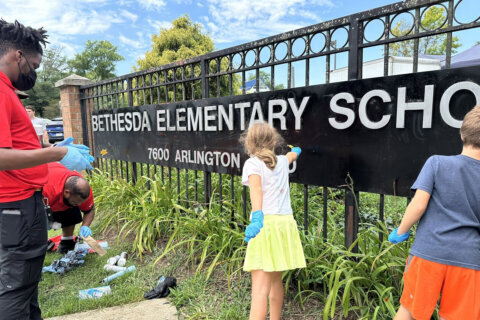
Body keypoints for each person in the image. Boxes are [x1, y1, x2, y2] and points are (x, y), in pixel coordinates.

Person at [0, 19, 93, 320]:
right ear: (17, 55)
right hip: (15, 205)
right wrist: (56, 153)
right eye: (34, 64)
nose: (34, 73)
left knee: (25, 286)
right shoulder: (1, 92)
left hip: (19, 206)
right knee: (16, 290)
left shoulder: (7, 92)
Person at [389, 105, 480, 320]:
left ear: (461, 133)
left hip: (429, 253)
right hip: (469, 260)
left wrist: (401, 231)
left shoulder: (437, 163)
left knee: (409, 311)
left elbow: (418, 205)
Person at [240, 122, 306, 320]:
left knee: (259, 290)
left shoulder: (252, 163)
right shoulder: (282, 162)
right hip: (284, 226)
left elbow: (256, 189)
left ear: (249, 142)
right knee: (275, 282)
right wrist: (297, 150)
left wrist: (257, 217)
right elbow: (292, 156)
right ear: (273, 141)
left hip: (265, 227)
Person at [43, 162, 95, 254]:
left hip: (61, 195)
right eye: (76, 202)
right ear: (67, 192)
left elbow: (89, 210)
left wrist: (85, 226)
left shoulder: (83, 190)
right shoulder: (48, 189)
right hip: (43, 188)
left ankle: (67, 241)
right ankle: (40, 242)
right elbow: (31, 212)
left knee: (72, 208)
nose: (79, 204)